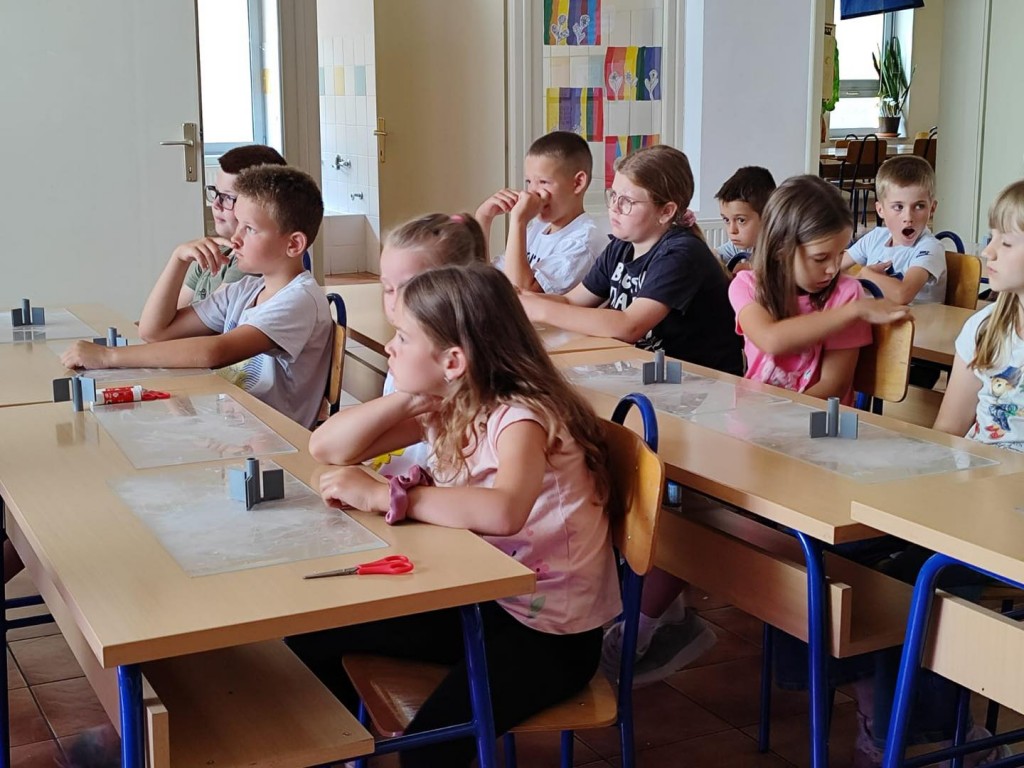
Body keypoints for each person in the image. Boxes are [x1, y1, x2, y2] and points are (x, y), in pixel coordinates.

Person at [289, 263, 620, 768]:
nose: (390, 346)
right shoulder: (453, 402)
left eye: (403, 337)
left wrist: (386, 496)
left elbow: (505, 510)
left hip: (550, 633)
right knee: (311, 636)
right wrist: (406, 396)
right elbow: (327, 448)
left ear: (453, 360)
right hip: (481, 598)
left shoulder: (522, 418)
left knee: (429, 751)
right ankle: (347, 751)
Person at [60, 165, 332, 430]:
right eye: (238, 224)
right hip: (232, 427)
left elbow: (214, 352)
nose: (235, 239)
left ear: (293, 244)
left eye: (249, 228)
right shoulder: (246, 289)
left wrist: (108, 356)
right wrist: (178, 259)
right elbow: (155, 331)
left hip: (272, 438)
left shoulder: (299, 300)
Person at [519, 144, 743, 375]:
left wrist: (540, 310)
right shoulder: (621, 246)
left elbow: (629, 325)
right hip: (651, 373)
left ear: (666, 211)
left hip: (702, 381)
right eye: (613, 195)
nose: (614, 208)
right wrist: (519, 299)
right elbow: (571, 301)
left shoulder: (682, 253)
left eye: (627, 201)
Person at [730, 175, 908, 403]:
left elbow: (834, 386)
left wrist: (777, 415)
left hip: (817, 419)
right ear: (780, 249)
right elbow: (770, 339)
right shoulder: (746, 285)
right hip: (757, 414)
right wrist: (854, 311)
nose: (833, 268)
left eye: (840, 254)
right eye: (820, 258)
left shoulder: (847, 294)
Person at [371, 212, 488, 478]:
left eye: (411, 287)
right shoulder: (402, 352)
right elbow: (325, 447)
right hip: (393, 485)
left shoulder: (454, 374)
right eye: (387, 289)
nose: (395, 302)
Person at [936, 178, 1024, 447]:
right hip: (978, 468)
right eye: (991, 237)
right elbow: (948, 429)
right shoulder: (982, 327)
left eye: (1005, 243)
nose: (988, 252)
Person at [476, 131, 605, 294]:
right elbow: (484, 281)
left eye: (543, 182)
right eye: (529, 182)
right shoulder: (537, 228)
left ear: (578, 183)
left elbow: (520, 295)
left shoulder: (584, 242)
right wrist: (483, 218)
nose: (532, 192)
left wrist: (519, 221)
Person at [163, 144, 288, 308]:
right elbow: (169, 315)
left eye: (227, 197)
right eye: (215, 192)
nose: (216, 204)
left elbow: (168, 323)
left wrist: (178, 260)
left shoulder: (248, 264)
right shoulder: (217, 251)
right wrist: (178, 255)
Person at [840, 155, 946, 306]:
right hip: (874, 317)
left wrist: (866, 275)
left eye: (919, 206)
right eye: (898, 207)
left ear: (932, 209)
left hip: (917, 321)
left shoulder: (930, 247)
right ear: (880, 210)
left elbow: (903, 295)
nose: (908, 217)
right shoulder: (875, 237)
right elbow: (831, 270)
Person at [715, 165, 777, 277]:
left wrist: (749, 268)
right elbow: (714, 256)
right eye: (726, 220)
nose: (732, 230)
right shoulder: (739, 245)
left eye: (741, 220)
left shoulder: (781, 248)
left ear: (767, 217)